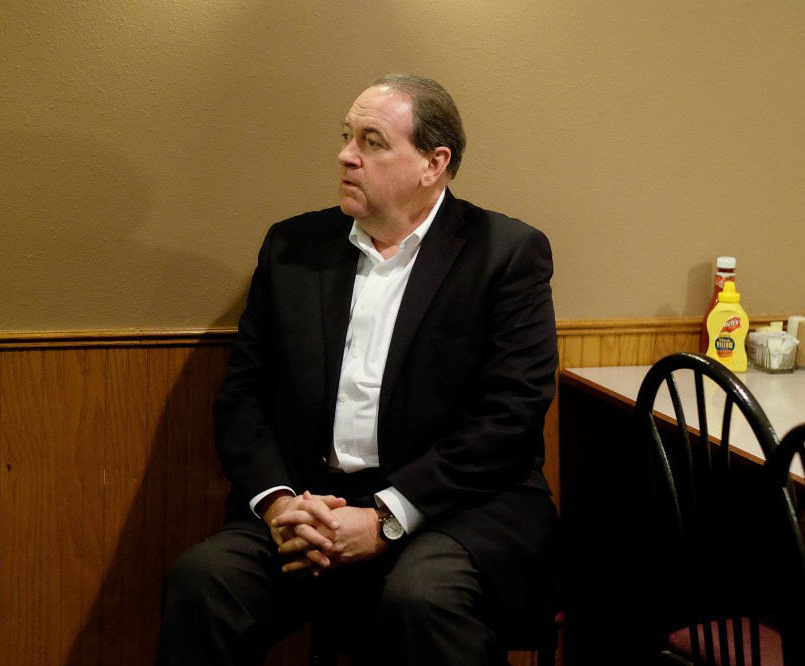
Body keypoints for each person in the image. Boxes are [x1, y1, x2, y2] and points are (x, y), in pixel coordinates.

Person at [156, 72, 560, 666]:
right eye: (347, 136)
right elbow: (243, 396)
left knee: (424, 598)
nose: (346, 156)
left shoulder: (505, 253)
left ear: (433, 163)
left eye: (372, 141)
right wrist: (278, 504)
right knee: (203, 581)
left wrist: (386, 517)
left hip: (456, 507)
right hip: (309, 502)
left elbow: (511, 417)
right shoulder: (292, 247)